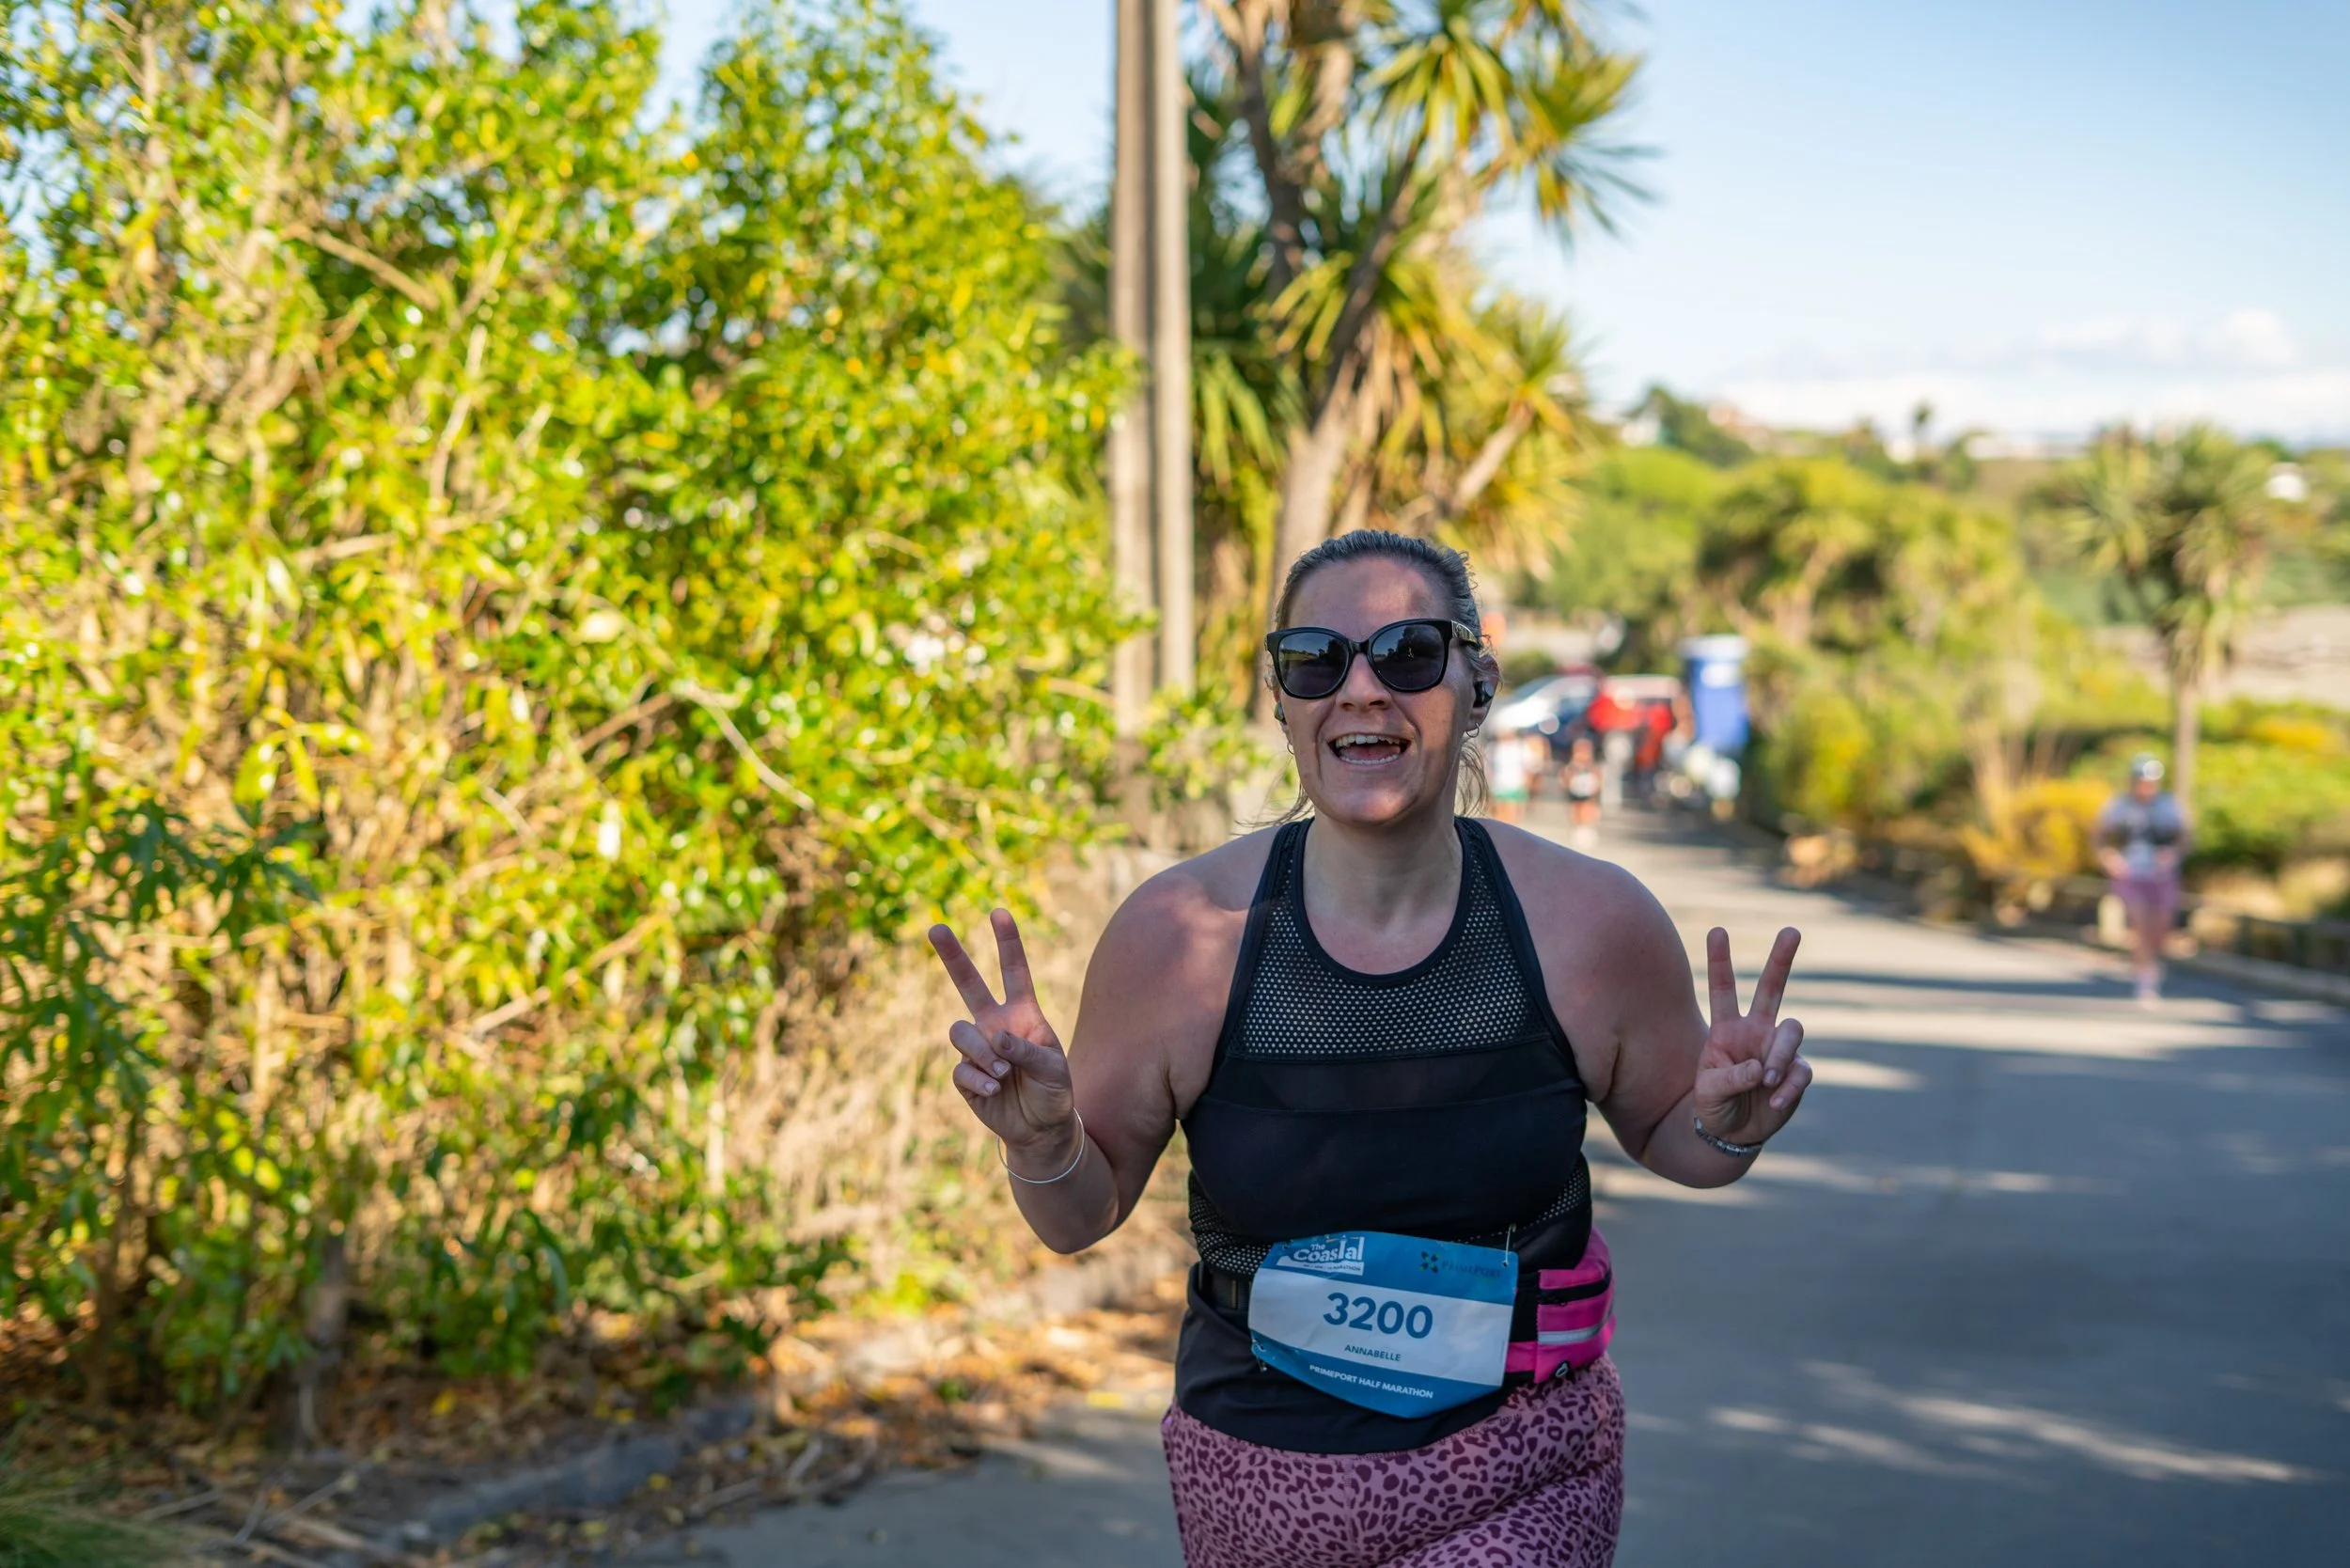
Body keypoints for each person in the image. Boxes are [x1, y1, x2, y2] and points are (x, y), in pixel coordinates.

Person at [929, 530, 1812, 1567]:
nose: (1360, 689)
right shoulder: (1178, 937)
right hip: (1256, 1469)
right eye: (1316, 658)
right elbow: (1081, 1217)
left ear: (1476, 681)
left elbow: (1680, 1139)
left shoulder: (1590, 923)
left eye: (1407, 654)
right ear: (1281, 697)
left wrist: (1727, 1124)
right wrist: (1041, 1145)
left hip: (1521, 1462)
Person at [2096, 754, 2187, 1005]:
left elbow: (2183, 837)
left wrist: (2173, 854)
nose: (2146, 786)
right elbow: (2101, 837)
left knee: (2160, 928)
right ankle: (2145, 980)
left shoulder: (2168, 805)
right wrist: (2109, 858)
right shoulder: (2120, 806)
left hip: (2161, 875)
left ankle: (2150, 964)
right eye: (2142, 781)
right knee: (2141, 925)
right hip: (2131, 874)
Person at [1563, 733, 1603, 850]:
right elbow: (1566, 777)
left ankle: (1588, 830)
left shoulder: (1592, 766)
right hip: (1577, 790)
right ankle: (1578, 830)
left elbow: (1598, 776)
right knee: (1577, 809)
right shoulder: (1572, 766)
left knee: (1588, 809)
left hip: (1588, 790)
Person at [1487, 720, 1531, 823]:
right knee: (1498, 812)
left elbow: (1529, 766)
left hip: (1515, 783)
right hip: (1498, 784)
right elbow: (1487, 765)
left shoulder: (1521, 746)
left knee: (1511, 813)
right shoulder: (1493, 747)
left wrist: (1527, 783)